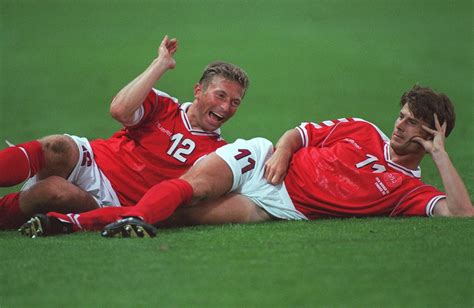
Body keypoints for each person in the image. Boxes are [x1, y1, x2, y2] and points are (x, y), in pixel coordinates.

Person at [19, 85, 473, 238]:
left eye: (412, 123)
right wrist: (281, 150)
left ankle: (70, 223)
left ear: (431, 134)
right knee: (194, 186)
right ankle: (129, 215)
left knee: (182, 218)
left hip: (277, 207)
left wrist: (441, 156)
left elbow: (461, 213)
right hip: (260, 160)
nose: (398, 125)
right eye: (401, 115)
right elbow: (302, 132)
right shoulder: (362, 129)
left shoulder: (409, 191)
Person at [1, 35, 250, 229]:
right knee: (56, 146)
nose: (225, 107)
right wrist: (160, 64)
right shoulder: (164, 106)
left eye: (235, 102)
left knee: (53, 192)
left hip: (111, 200)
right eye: (220, 95)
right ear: (198, 91)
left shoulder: (219, 154)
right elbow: (119, 110)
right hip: (92, 160)